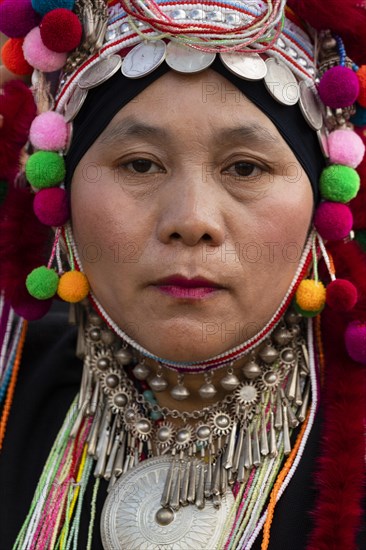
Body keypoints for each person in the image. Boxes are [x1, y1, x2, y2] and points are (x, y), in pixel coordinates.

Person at [0, 1, 366, 549]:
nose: (191, 220)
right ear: (61, 194)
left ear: (321, 202)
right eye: (140, 164)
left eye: (246, 168)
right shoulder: (10, 395)